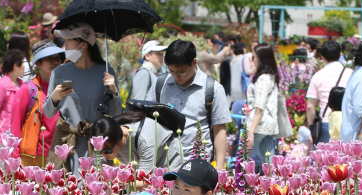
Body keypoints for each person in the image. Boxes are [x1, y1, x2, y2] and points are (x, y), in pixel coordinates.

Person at [44, 22, 121, 174]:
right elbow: (48, 113)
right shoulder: (59, 72)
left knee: (95, 191)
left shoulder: (106, 72)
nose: (64, 45)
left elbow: (115, 113)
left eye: (69, 41)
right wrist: (54, 97)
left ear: (83, 45)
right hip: (67, 145)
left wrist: (114, 91)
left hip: (96, 144)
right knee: (66, 192)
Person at [146, 40, 231, 170]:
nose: (176, 76)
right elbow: (148, 118)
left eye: (181, 72)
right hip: (164, 161)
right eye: (171, 71)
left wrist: (219, 169)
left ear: (194, 63)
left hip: (197, 163)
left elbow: (219, 129)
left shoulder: (212, 89)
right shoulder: (161, 84)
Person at [10, 40, 64, 167]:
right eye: (49, 58)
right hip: (33, 157)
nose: (55, 62)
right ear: (38, 63)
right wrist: (14, 160)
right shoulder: (28, 89)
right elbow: (15, 126)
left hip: (60, 155)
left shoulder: (65, 89)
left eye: (57, 58)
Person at [93, 113, 183, 175]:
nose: (102, 154)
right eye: (98, 150)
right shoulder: (109, 139)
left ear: (119, 141)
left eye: (106, 150)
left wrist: (115, 178)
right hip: (142, 167)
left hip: (168, 161)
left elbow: (143, 180)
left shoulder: (144, 140)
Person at [305, 41, 352, 144]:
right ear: (340, 54)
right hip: (348, 121)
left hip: (327, 121)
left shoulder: (317, 76)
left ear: (322, 57)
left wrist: (312, 126)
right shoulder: (351, 73)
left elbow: (310, 107)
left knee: (323, 158)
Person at [245, 43, 280, 165]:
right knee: (269, 163)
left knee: (243, 159)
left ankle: (239, 183)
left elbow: (259, 108)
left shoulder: (263, 79)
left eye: (254, 56)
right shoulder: (271, 77)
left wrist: (250, 132)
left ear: (261, 59)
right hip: (268, 125)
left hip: (259, 125)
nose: (252, 59)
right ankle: (273, 183)